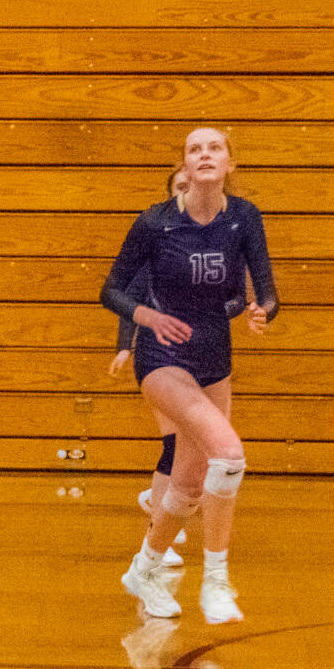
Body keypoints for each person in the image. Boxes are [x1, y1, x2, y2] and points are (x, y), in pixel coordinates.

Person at [101, 129, 278, 624]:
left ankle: (146, 567)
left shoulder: (244, 218)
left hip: (215, 358)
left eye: (214, 148)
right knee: (229, 453)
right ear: (184, 165)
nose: (204, 155)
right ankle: (216, 579)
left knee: (189, 487)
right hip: (163, 356)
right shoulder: (155, 224)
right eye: (194, 149)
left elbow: (266, 289)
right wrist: (145, 320)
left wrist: (263, 311)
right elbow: (112, 289)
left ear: (229, 164)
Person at [108, 167, 192, 568]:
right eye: (181, 187)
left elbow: (232, 298)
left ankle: (157, 502)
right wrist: (125, 346)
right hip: (158, 356)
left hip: (199, 356)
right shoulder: (157, 239)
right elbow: (130, 295)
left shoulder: (218, 241)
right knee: (176, 444)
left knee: (194, 448)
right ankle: (156, 532)